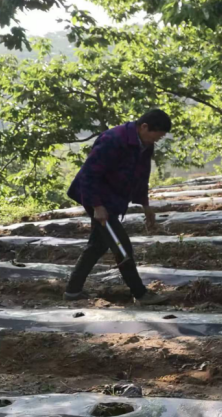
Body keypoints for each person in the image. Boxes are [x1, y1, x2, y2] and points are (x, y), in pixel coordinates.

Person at [64, 109, 172, 305]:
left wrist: (145, 205)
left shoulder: (145, 144)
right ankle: (141, 294)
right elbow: (89, 174)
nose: (157, 140)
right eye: (157, 135)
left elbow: (142, 175)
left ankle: (72, 291)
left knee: (97, 246)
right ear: (144, 127)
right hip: (95, 196)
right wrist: (97, 206)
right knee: (121, 246)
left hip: (113, 198)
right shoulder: (113, 140)